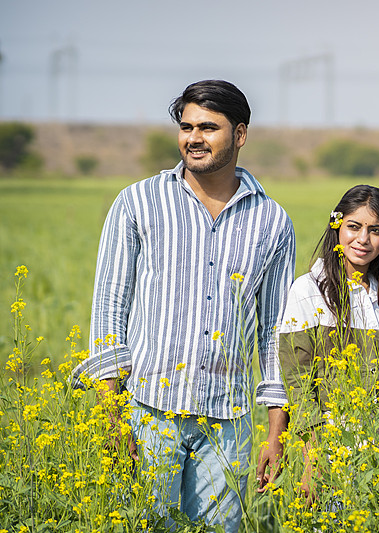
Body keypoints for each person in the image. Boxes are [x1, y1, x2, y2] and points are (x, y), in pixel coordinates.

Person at [72, 80, 295, 531]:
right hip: (147, 412)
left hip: (228, 423)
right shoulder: (138, 202)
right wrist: (110, 415)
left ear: (241, 134)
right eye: (186, 126)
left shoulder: (272, 220)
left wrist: (275, 434)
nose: (194, 137)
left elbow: (275, 333)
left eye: (209, 127)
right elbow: (109, 308)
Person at [278, 184, 379, 499]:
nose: (363, 239)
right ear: (336, 227)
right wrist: (311, 460)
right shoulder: (308, 290)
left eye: (375, 230)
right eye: (354, 227)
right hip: (328, 452)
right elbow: (298, 382)